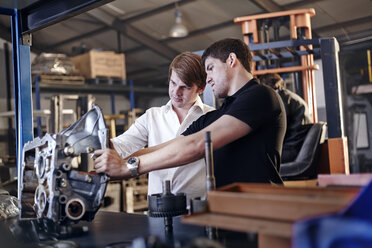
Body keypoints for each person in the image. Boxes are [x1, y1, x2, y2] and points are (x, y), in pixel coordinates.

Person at [94, 38, 286, 188]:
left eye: (210, 68)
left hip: (260, 208)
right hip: (230, 211)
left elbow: (197, 144)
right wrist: (117, 160)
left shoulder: (260, 96)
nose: (209, 78)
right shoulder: (222, 113)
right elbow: (173, 145)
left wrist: (127, 168)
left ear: (231, 60)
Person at [109, 52, 214, 201]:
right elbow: (122, 146)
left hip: (199, 209)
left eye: (185, 87)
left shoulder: (212, 118)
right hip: (159, 209)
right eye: (173, 83)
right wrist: (100, 143)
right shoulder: (152, 117)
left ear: (201, 88)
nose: (176, 92)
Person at [259, 73, 312, 163]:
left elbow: (277, 129)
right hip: (297, 146)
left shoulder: (282, 100)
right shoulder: (290, 97)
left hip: (291, 150)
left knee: (256, 160)